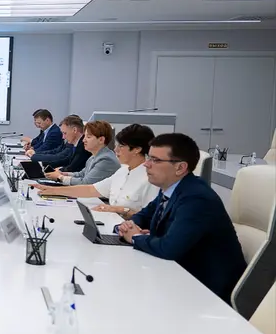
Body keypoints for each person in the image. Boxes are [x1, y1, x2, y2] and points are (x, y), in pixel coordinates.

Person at [118, 133, 246, 302]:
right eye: (149, 157)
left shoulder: (196, 198)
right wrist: (128, 226)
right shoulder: (170, 189)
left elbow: (168, 248)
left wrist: (135, 236)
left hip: (206, 292)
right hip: (177, 276)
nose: (146, 164)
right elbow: (143, 216)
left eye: (155, 160)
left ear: (180, 168)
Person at [33, 124, 159, 219]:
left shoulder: (151, 180)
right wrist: (52, 190)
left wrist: (119, 209)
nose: (116, 150)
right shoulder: (123, 171)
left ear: (137, 149)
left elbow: (151, 218)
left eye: (121, 146)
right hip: (112, 223)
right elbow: (91, 189)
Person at [43, 120, 119, 186]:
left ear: (101, 140)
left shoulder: (106, 160)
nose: (83, 140)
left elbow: (85, 183)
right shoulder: (94, 157)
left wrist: (60, 177)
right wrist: (63, 174)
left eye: (88, 137)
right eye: (84, 136)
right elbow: (81, 174)